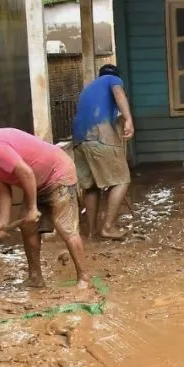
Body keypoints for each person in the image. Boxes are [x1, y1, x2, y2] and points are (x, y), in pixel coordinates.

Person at [0, 128, 90, 290]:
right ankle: (35, 277)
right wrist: (2, 222)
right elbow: (3, 191)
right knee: (28, 227)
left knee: (66, 227)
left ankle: (84, 278)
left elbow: (26, 173)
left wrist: (32, 208)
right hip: (36, 183)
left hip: (58, 175)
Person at [73, 64, 135, 240]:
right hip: (98, 135)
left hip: (79, 139)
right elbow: (119, 93)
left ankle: (92, 232)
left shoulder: (88, 89)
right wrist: (129, 119)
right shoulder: (113, 80)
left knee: (91, 187)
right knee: (122, 180)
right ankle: (107, 227)